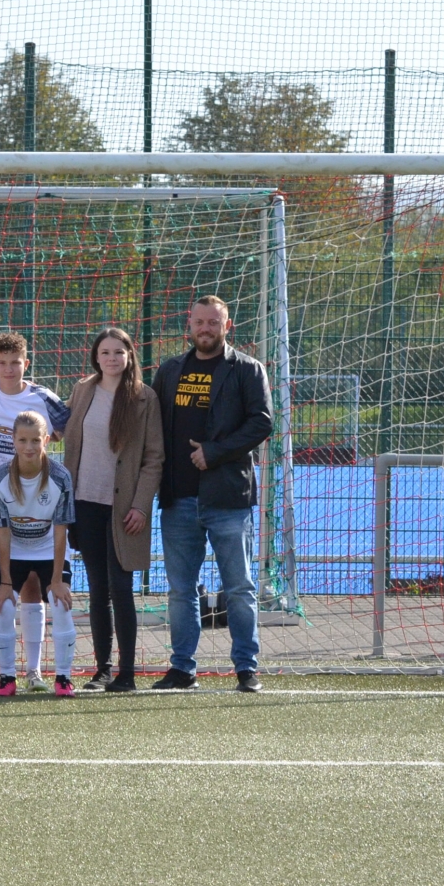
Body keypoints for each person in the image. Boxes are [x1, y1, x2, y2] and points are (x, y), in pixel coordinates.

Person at [153, 296, 273, 693]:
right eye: (200, 322)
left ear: (227, 326)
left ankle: (246, 668)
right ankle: (182, 669)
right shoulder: (170, 370)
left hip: (228, 499)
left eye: (213, 323)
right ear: (189, 324)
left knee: (238, 588)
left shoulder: (247, 369)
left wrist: (214, 452)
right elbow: (152, 427)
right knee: (181, 591)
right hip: (178, 500)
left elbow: (262, 423)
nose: (205, 329)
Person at [0, 331, 71, 690]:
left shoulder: (43, 397)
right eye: (2, 363)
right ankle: (5, 672)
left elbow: (69, 423)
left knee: (34, 587)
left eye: (15, 363)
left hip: (37, 496)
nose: (9, 369)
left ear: (26, 364)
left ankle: (35, 672)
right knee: (0, 588)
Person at [64, 326, 164, 692]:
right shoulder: (82, 390)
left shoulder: (144, 398)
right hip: (85, 503)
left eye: (118, 352)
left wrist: (140, 505)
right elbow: (58, 427)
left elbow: (154, 458)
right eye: (105, 352)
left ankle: (127, 673)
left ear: (129, 356)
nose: (111, 358)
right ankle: (102, 669)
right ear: (96, 356)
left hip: (124, 510)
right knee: (97, 588)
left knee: (121, 588)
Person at [0, 411, 77, 696]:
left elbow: (61, 532)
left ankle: (63, 679)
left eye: (35, 440)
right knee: (3, 606)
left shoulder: (60, 477)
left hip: (49, 549)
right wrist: (4, 582)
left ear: (46, 440)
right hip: (14, 550)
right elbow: (2, 533)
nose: (29, 447)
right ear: (13, 440)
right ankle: (7, 678)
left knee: (61, 604)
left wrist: (57, 580)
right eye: (23, 440)